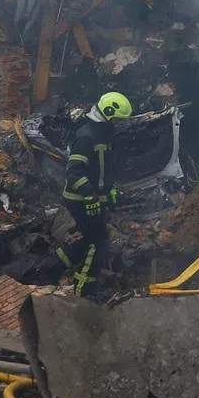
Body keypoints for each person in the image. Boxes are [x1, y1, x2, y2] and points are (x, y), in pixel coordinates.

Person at [55, 92, 132, 299]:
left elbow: (102, 171)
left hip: (92, 199)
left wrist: (109, 191)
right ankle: (85, 292)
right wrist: (90, 196)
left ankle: (53, 265)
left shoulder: (103, 135)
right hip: (79, 200)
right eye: (118, 119)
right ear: (107, 114)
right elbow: (73, 173)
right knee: (97, 244)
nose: (120, 124)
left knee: (90, 239)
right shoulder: (86, 137)